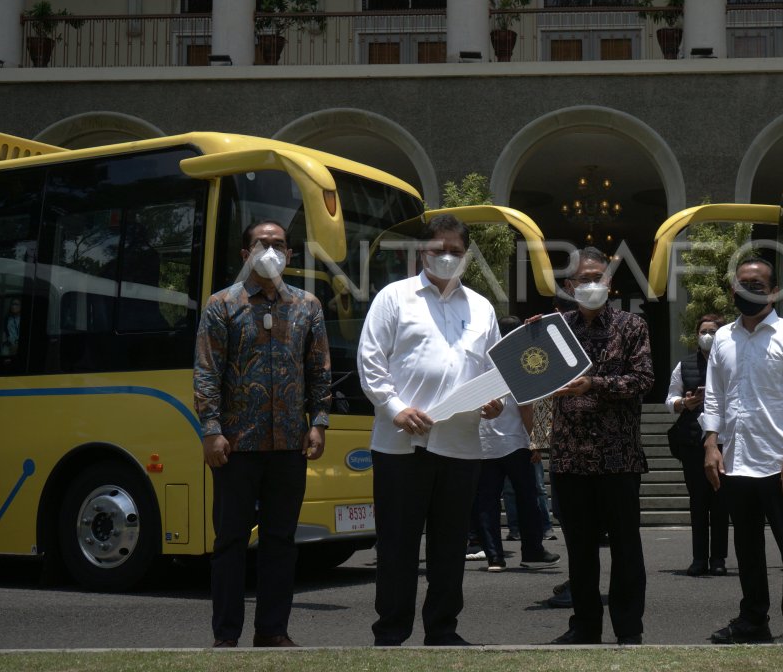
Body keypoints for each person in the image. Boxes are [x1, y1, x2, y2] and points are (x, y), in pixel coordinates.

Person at [357, 214, 504, 647]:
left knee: (449, 547)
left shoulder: (482, 307)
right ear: (422, 251)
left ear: (467, 255)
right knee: (398, 546)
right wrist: (395, 408)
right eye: (439, 249)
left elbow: (493, 371)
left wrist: (494, 403)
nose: (446, 257)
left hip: (460, 447)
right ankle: (391, 633)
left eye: (455, 251)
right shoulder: (394, 298)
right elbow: (371, 361)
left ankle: (442, 630)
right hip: (401, 443)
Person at [194, 219, 331, 649]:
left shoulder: (307, 306)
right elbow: (206, 371)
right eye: (262, 244)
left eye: (278, 245)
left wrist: (319, 421)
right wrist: (212, 430)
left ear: (289, 255)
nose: (270, 251)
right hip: (237, 446)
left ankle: (273, 630)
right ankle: (226, 635)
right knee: (230, 542)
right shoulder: (222, 305)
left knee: (280, 542)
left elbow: (319, 370)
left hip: (288, 444)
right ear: (245, 254)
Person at [702, 256, 783, 645]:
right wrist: (710, 445)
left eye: (757, 285)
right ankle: (754, 620)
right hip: (735, 460)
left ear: (774, 291)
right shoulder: (723, 338)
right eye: (742, 283)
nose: (748, 290)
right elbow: (714, 398)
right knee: (747, 546)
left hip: (779, 461)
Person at [549, 247, 653, 645]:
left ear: (609, 282)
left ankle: (629, 629)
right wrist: (528, 339)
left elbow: (643, 381)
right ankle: (585, 626)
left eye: (598, 277)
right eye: (583, 279)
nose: (591, 285)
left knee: (626, 550)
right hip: (570, 457)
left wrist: (597, 384)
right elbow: (528, 371)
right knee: (580, 551)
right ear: (569, 285)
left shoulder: (632, 326)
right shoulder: (556, 328)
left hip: (618, 456)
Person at [473, 314, 560, 573]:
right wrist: (536, 441)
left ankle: (494, 557)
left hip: (483, 444)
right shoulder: (515, 361)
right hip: (514, 441)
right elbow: (525, 406)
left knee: (486, 501)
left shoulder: (478, 362)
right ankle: (532, 551)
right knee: (528, 498)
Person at [666, 314, 729, 577]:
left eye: (713, 331)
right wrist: (684, 403)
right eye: (703, 331)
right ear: (696, 335)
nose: (708, 335)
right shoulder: (684, 365)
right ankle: (699, 558)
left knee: (721, 502)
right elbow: (670, 400)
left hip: (725, 441)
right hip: (693, 441)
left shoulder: (730, 362)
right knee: (698, 501)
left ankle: (718, 559)